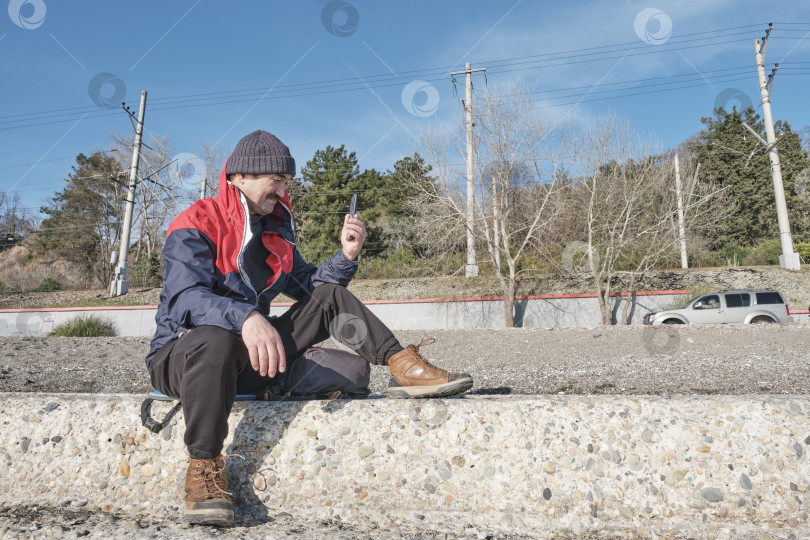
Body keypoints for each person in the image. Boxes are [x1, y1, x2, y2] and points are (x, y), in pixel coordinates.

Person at [145, 130, 473, 526]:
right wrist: (246, 318)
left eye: (286, 182)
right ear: (239, 177)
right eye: (277, 180)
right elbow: (185, 299)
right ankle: (203, 470)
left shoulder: (274, 233)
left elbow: (314, 290)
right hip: (183, 354)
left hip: (248, 357)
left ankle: (401, 364)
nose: (283, 190)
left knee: (345, 340)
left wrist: (346, 256)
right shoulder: (196, 221)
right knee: (215, 339)